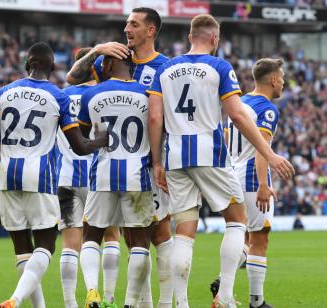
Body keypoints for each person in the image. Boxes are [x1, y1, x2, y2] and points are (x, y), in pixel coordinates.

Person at [147, 14, 294, 308]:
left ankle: (179, 303)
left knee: (184, 232)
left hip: (174, 156)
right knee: (237, 222)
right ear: (215, 38)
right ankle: (225, 297)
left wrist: (157, 162)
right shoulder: (220, 67)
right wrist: (270, 154)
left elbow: (154, 117)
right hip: (210, 154)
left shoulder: (164, 68)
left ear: (190, 36)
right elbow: (237, 116)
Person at [0, 42, 107, 308]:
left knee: (23, 248)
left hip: (8, 175)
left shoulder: (5, 91)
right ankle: (16, 298)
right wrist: (100, 141)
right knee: (45, 246)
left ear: (27, 63)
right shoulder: (58, 96)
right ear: (53, 66)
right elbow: (79, 146)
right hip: (40, 177)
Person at [67, 8, 173, 307]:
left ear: (150, 30)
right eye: (126, 23)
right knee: (135, 238)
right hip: (139, 167)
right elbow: (73, 77)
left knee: (159, 232)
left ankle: (166, 302)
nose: (126, 28)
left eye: (133, 24)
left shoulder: (165, 67)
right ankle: (137, 302)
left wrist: (161, 161)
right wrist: (97, 50)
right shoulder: (113, 57)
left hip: (136, 167)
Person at [78, 54, 152, 308]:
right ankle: (130, 302)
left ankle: (92, 292)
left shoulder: (92, 94)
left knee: (91, 236)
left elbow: (82, 136)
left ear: (109, 65)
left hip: (103, 172)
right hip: (137, 174)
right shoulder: (148, 93)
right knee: (140, 241)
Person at [220, 58, 285, 308]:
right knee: (260, 238)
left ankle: (224, 284)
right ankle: (256, 302)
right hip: (250, 176)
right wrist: (263, 184)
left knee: (244, 236)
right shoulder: (267, 109)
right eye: (281, 78)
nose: (283, 83)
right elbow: (262, 149)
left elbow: (227, 139)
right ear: (272, 80)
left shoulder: (240, 103)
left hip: (233, 173)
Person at [57, 47, 96, 308]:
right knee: (108, 238)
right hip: (96, 178)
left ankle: (70, 303)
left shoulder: (59, 97)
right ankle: (101, 296)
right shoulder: (99, 95)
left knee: (70, 245)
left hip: (65, 177)